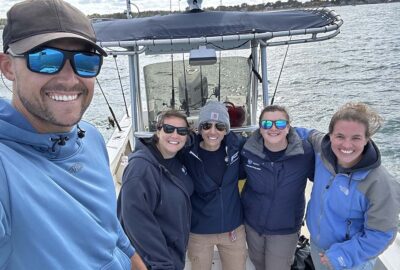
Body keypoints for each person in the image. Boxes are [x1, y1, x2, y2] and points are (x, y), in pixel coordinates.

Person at [0, 1, 147, 269]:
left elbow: (111, 231)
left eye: (86, 61)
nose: (69, 79)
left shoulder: (91, 137)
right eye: (45, 59)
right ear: (8, 67)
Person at [306, 102, 400, 270]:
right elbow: (307, 134)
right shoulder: (322, 148)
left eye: (356, 138)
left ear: (367, 139)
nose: (346, 145)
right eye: (340, 136)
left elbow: (381, 234)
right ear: (330, 136)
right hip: (317, 245)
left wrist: (341, 256)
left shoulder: (380, 183)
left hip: (351, 260)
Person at [118, 110, 194, 270]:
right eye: (168, 129)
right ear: (158, 131)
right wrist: (163, 264)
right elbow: (138, 225)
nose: (175, 135)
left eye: (182, 131)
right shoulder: (140, 169)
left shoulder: (175, 159)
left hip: (173, 253)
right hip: (153, 262)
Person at [241, 105, 315, 270]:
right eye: (267, 124)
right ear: (260, 129)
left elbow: (323, 179)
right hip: (253, 225)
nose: (273, 128)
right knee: (258, 265)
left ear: (288, 127)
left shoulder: (305, 152)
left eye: (280, 124)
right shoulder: (248, 151)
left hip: (285, 229)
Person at [182, 101, 247, 270]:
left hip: (233, 230)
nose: (213, 131)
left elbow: (268, 142)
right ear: (198, 128)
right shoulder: (186, 152)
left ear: (226, 129)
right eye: (206, 125)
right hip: (198, 232)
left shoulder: (237, 146)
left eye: (219, 126)